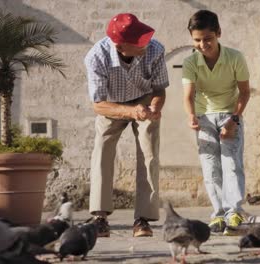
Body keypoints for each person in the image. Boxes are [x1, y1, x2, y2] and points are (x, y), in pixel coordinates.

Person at [84, 13, 169, 237]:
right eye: (139, 42)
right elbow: (98, 105)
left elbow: (159, 89)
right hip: (110, 105)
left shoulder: (156, 49)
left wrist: (154, 108)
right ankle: (99, 217)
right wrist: (129, 112)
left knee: (149, 150)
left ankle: (143, 219)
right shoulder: (96, 57)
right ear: (121, 46)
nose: (146, 43)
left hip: (144, 98)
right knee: (102, 149)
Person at [182, 10, 250, 235]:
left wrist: (234, 119)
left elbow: (244, 92)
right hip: (204, 118)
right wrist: (191, 116)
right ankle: (218, 214)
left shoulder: (235, 57)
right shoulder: (190, 62)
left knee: (231, 164)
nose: (203, 44)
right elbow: (188, 95)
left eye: (207, 39)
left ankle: (234, 212)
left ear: (218, 33)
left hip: (230, 115)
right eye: (197, 40)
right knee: (211, 167)